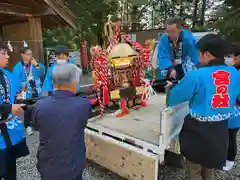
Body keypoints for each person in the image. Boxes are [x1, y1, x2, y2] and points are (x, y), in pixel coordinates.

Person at [165, 34, 240, 180]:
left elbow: (175, 98)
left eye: (199, 53)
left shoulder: (197, 75)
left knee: (194, 170)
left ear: (206, 53)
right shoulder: (235, 74)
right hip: (220, 130)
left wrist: (170, 89)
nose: (198, 56)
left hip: (198, 131)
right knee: (210, 166)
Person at [31, 64, 91, 180]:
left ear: (54, 82)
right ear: (74, 82)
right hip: (73, 167)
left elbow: (36, 125)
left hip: (48, 166)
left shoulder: (39, 105)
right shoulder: (83, 104)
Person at [0, 42, 29, 180]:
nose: (8, 57)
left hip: (8, 131)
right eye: (3, 53)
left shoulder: (6, 74)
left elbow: (14, 93)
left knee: (10, 169)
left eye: (7, 53)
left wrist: (18, 98)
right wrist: (10, 108)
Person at [12, 47, 45, 135]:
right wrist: (18, 92)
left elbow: (43, 74)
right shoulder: (18, 67)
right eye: (28, 54)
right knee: (27, 107)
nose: (30, 56)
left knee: (38, 106)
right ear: (22, 55)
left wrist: (36, 65)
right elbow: (15, 80)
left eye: (31, 54)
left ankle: (38, 124)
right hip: (25, 90)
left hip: (37, 88)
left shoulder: (35, 64)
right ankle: (28, 126)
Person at [223, 47, 240, 171]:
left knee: (231, 135)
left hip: (236, 110)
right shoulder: (234, 70)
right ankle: (226, 157)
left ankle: (230, 160)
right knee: (227, 134)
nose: (231, 59)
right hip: (230, 109)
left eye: (233, 56)